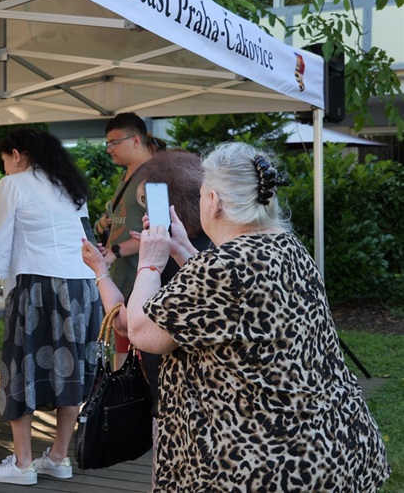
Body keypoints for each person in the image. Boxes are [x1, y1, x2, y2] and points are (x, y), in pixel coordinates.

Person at [130, 142, 391, 490]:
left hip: (263, 465)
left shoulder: (223, 267)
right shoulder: (287, 246)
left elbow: (143, 332)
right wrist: (183, 251)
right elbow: (229, 306)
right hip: (331, 445)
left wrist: (150, 262)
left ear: (213, 201)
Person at [0, 128, 103, 486]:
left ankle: (23, 463)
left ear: (16, 154)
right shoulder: (69, 187)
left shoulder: (13, 184)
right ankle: (58, 458)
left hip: (40, 287)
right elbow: (86, 240)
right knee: (70, 372)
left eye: (4, 161)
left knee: (20, 369)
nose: (5, 168)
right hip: (82, 288)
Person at [82, 148, 210, 489]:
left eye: (146, 205)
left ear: (167, 206)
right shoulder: (216, 249)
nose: (143, 215)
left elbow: (126, 324)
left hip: (175, 404)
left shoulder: (162, 260)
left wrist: (100, 271)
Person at [97, 113, 163, 369]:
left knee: (142, 364)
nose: (109, 149)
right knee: (122, 360)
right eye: (108, 143)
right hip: (122, 282)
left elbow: (161, 233)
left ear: (136, 140)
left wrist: (115, 250)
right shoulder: (127, 176)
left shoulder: (155, 177)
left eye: (114, 142)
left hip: (143, 286)